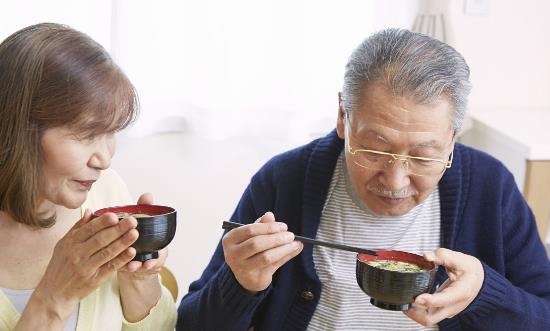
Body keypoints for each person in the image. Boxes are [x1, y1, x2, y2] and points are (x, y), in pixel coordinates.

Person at [177, 28, 550, 330]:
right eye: (375, 150)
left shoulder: (490, 186)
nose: (396, 181)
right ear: (343, 116)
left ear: (453, 138)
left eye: (422, 156)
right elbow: (191, 324)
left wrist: (485, 294)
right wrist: (241, 283)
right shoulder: (284, 180)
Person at [0, 23, 176, 330]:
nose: (104, 159)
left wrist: (138, 279)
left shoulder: (104, 192)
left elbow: (160, 327)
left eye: (111, 133)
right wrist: (53, 298)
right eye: (86, 134)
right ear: (19, 129)